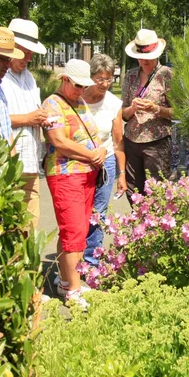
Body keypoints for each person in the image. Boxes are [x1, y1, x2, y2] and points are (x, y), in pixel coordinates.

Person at [41, 59, 105, 308]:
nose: (81, 90)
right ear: (64, 79)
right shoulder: (52, 104)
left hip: (86, 174)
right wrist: (91, 154)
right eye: (77, 85)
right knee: (74, 233)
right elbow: (59, 142)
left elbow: (93, 134)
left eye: (84, 86)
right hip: (65, 174)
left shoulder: (80, 102)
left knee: (74, 230)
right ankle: (74, 291)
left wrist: (100, 150)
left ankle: (67, 281)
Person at [2, 18, 49, 231]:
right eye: (25, 52)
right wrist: (28, 119)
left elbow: (34, 111)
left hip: (30, 159)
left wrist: (43, 118)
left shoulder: (29, 77)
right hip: (8, 162)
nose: (29, 58)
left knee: (30, 222)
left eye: (31, 53)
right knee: (8, 220)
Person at [82, 53, 127, 265]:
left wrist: (122, 174)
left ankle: (92, 259)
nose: (105, 84)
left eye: (109, 79)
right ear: (90, 77)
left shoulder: (114, 103)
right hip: (79, 160)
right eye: (100, 79)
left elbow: (118, 142)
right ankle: (73, 256)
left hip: (106, 162)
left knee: (98, 212)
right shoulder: (78, 97)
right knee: (78, 211)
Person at [121, 29, 174, 197]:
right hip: (131, 141)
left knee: (157, 191)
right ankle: (137, 215)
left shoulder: (167, 75)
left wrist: (156, 109)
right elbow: (123, 115)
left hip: (157, 142)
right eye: (140, 57)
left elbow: (178, 112)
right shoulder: (130, 76)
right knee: (133, 191)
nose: (143, 61)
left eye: (148, 57)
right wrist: (132, 108)